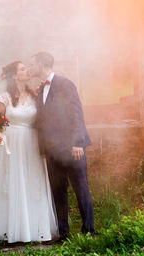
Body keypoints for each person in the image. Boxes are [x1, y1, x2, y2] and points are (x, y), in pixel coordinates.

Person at [0, 61, 58, 243]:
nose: (27, 70)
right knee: (12, 181)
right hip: (12, 143)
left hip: (32, 144)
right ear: (14, 75)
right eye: (23, 69)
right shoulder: (4, 97)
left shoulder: (34, 95)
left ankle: (35, 228)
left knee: (33, 181)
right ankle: (8, 227)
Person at [29, 52, 96, 242]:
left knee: (81, 189)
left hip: (72, 148)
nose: (31, 67)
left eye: (32, 64)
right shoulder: (41, 90)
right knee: (58, 191)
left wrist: (78, 143)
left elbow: (76, 114)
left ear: (42, 64)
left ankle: (89, 231)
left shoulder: (65, 84)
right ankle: (63, 233)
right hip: (52, 151)